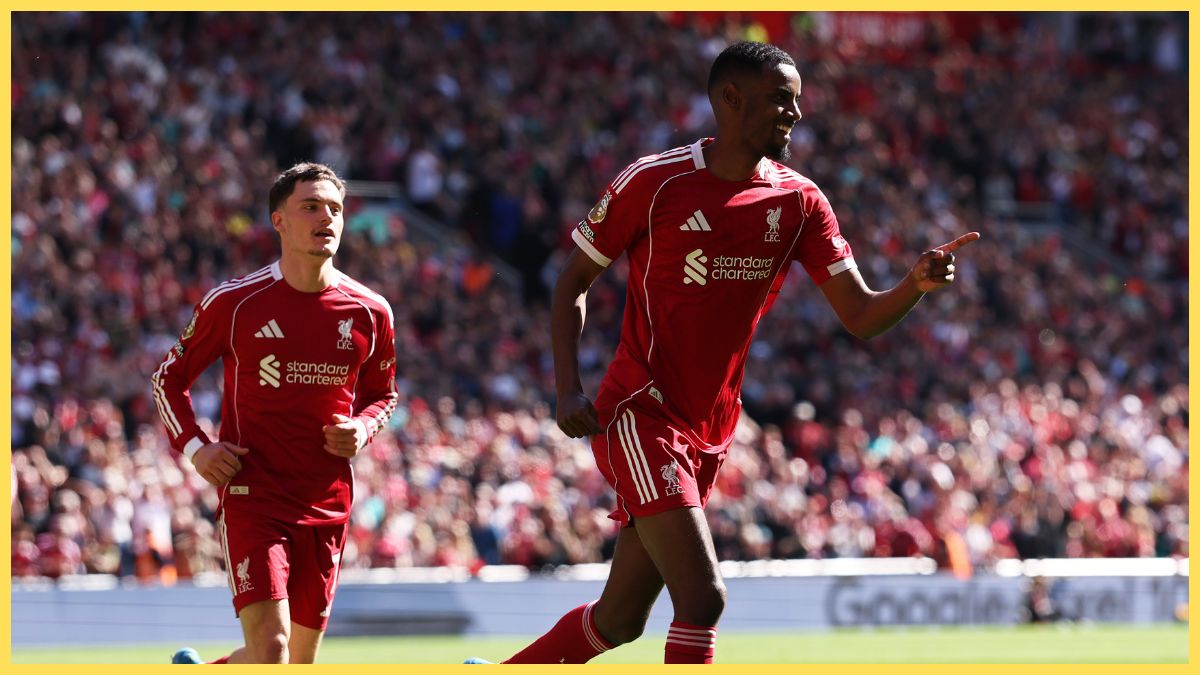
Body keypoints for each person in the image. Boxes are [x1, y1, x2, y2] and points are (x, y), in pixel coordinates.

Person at [482, 41, 979, 664]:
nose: (793, 114)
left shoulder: (800, 201)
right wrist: (566, 389)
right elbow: (570, 284)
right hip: (642, 413)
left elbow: (860, 316)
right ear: (729, 99)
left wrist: (914, 286)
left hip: (710, 429)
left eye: (797, 102)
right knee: (704, 599)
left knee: (619, 619)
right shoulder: (655, 182)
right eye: (780, 100)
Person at [151, 162, 398, 664]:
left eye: (335, 208)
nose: (325, 217)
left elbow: (383, 395)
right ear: (278, 220)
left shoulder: (371, 310)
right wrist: (196, 449)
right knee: (273, 650)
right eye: (310, 206)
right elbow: (167, 380)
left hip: (327, 499)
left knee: (295, 663)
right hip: (253, 493)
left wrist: (363, 427)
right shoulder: (235, 302)